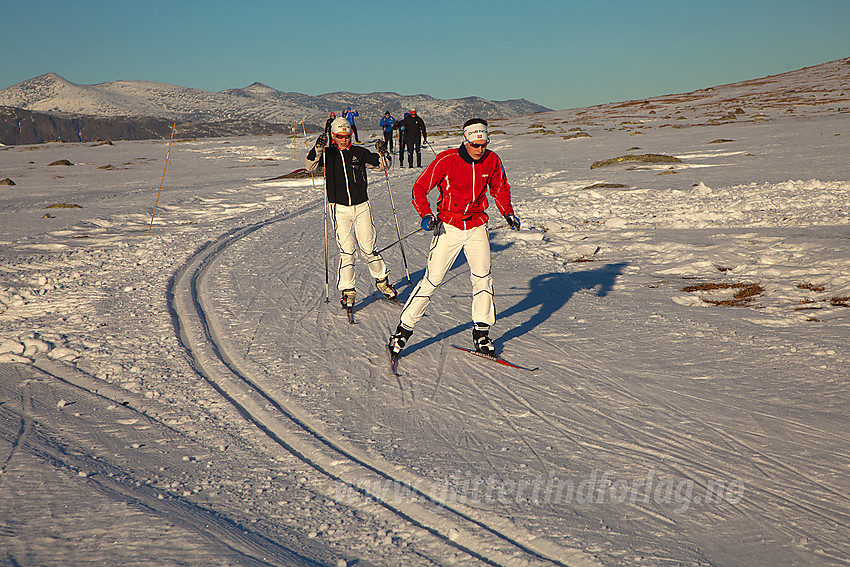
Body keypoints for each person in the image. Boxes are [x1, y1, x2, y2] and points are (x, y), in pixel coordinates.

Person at [386, 118, 520, 357]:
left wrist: (507, 212)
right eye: (476, 145)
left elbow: (500, 188)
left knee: (482, 278)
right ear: (465, 140)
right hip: (448, 227)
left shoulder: (492, 160)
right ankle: (402, 333)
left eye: (484, 144)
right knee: (432, 281)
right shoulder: (447, 160)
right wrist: (426, 214)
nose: (481, 149)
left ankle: (482, 333)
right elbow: (419, 188)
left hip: (477, 225)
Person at [306, 117, 397, 307]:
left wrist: (384, 153)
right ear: (333, 136)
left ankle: (382, 282)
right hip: (339, 209)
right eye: (339, 136)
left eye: (347, 136)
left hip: (361, 206)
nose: (344, 140)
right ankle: (348, 291)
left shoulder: (359, 153)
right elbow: (310, 167)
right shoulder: (327, 154)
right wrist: (317, 149)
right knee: (347, 251)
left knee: (369, 248)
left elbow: (383, 166)